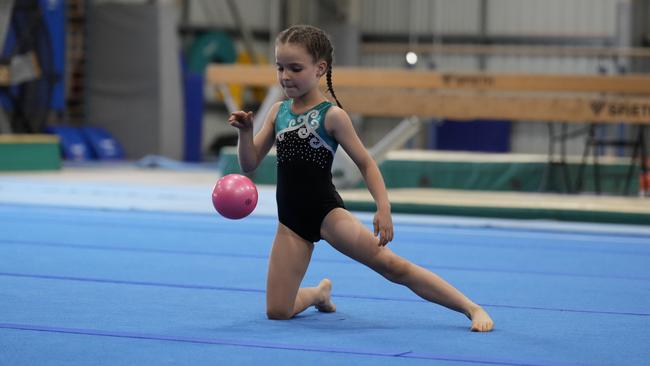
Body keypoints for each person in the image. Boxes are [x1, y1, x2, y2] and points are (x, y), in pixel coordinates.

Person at [228, 24, 494, 332]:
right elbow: (249, 164)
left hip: (327, 214)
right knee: (277, 311)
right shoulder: (278, 112)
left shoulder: (332, 116)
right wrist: (245, 133)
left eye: (295, 68)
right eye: (280, 67)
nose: (285, 75)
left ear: (319, 68)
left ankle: (470, 307)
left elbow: (367, 164)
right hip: (290, 223)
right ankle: (318, 293)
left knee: (393, 267)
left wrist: (383, 207)